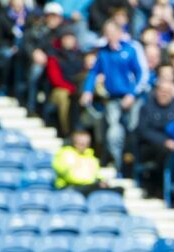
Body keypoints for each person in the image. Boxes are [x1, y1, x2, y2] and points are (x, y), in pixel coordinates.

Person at [80, 19, 146, 173]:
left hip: (132, 99)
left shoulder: (130, 50)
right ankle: (118, 165)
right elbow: (93, 72)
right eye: (106, 33)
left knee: (133, 130)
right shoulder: (103, 53)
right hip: (113, 99)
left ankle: (133, 168)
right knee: (113, 134)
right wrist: (87, 90)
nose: (109, 36)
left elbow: (141, 74)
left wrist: (132, 94)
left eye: (112, 32)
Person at [52, 129, 106, 195]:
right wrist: (90, 181)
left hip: (88, 187)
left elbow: (97, 174)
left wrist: (102, 181)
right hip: (69, 188)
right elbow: (71, 177)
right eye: (81, 143)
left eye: (86, 143)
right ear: (74, 142)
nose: (84, 145)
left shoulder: (91, 156)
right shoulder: (66, 153)